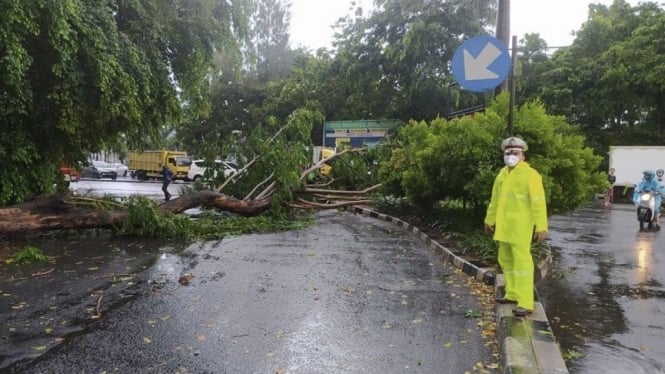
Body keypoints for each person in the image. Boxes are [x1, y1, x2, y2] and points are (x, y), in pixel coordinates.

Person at [484, 137, 548, 317]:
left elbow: (538, 202)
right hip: (504, 228)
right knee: (505, 259)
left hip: (520, 228)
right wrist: (489, 220)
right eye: (508, 153)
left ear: (523, 156)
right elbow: (495, 201)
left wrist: (541, 226)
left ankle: (526, 302)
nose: (511, 156)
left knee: (522, 264)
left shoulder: (530, 175)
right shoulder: (502, 175)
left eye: (515, 153)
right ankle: (512, 293)